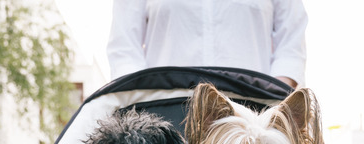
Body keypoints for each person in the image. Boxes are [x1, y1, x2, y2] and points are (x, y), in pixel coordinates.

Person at [107, 0, 307, 88]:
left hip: (251, 120)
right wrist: (147, 102)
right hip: (164, 122)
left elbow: (291, 45)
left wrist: (271, 100)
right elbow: (125, 51)